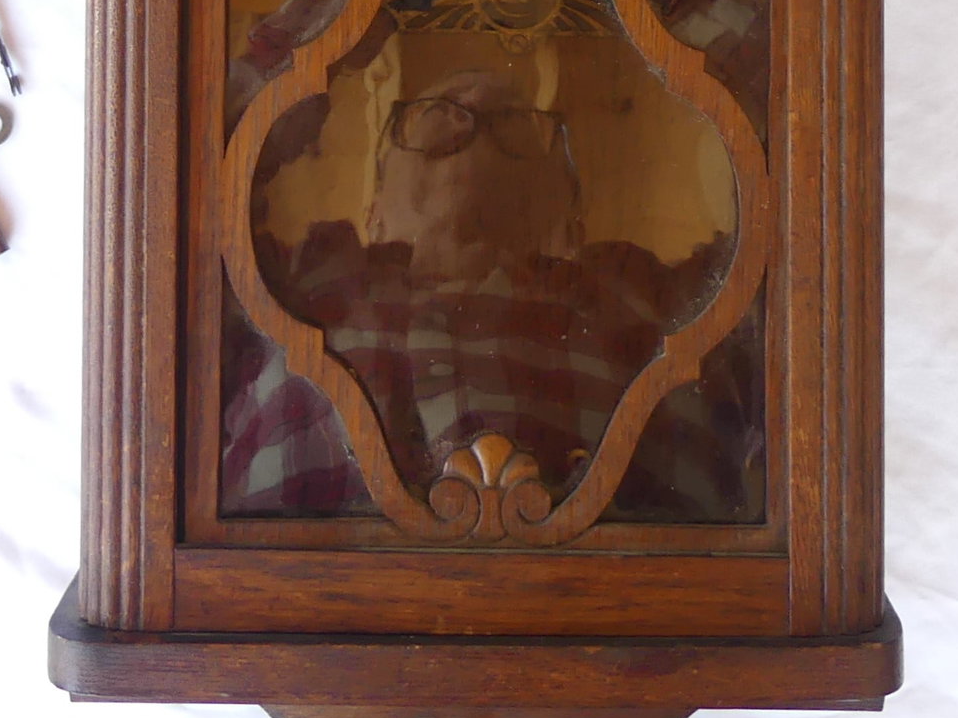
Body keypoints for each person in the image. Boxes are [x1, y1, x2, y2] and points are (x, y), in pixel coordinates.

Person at [222, 66, 760, 522]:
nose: (474, 104)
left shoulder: (638, 292)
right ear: (375, 214)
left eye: (514, 121)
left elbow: (784, 161)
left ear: (569, 218)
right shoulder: (308, 279)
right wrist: (334, 37)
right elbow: (204, 153)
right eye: (435, 114)